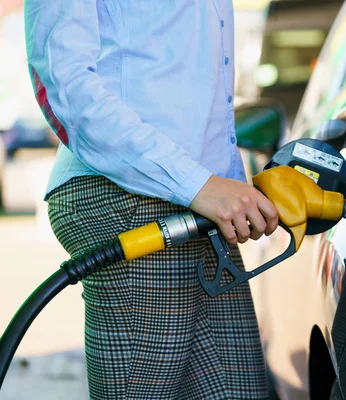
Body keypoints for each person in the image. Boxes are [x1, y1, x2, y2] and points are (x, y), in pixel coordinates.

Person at [24, 1, 279, 398]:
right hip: (131, 195)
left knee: (237, 389)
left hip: (197, 203)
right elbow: (64, 80)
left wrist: (223, 187)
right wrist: (200, 185)